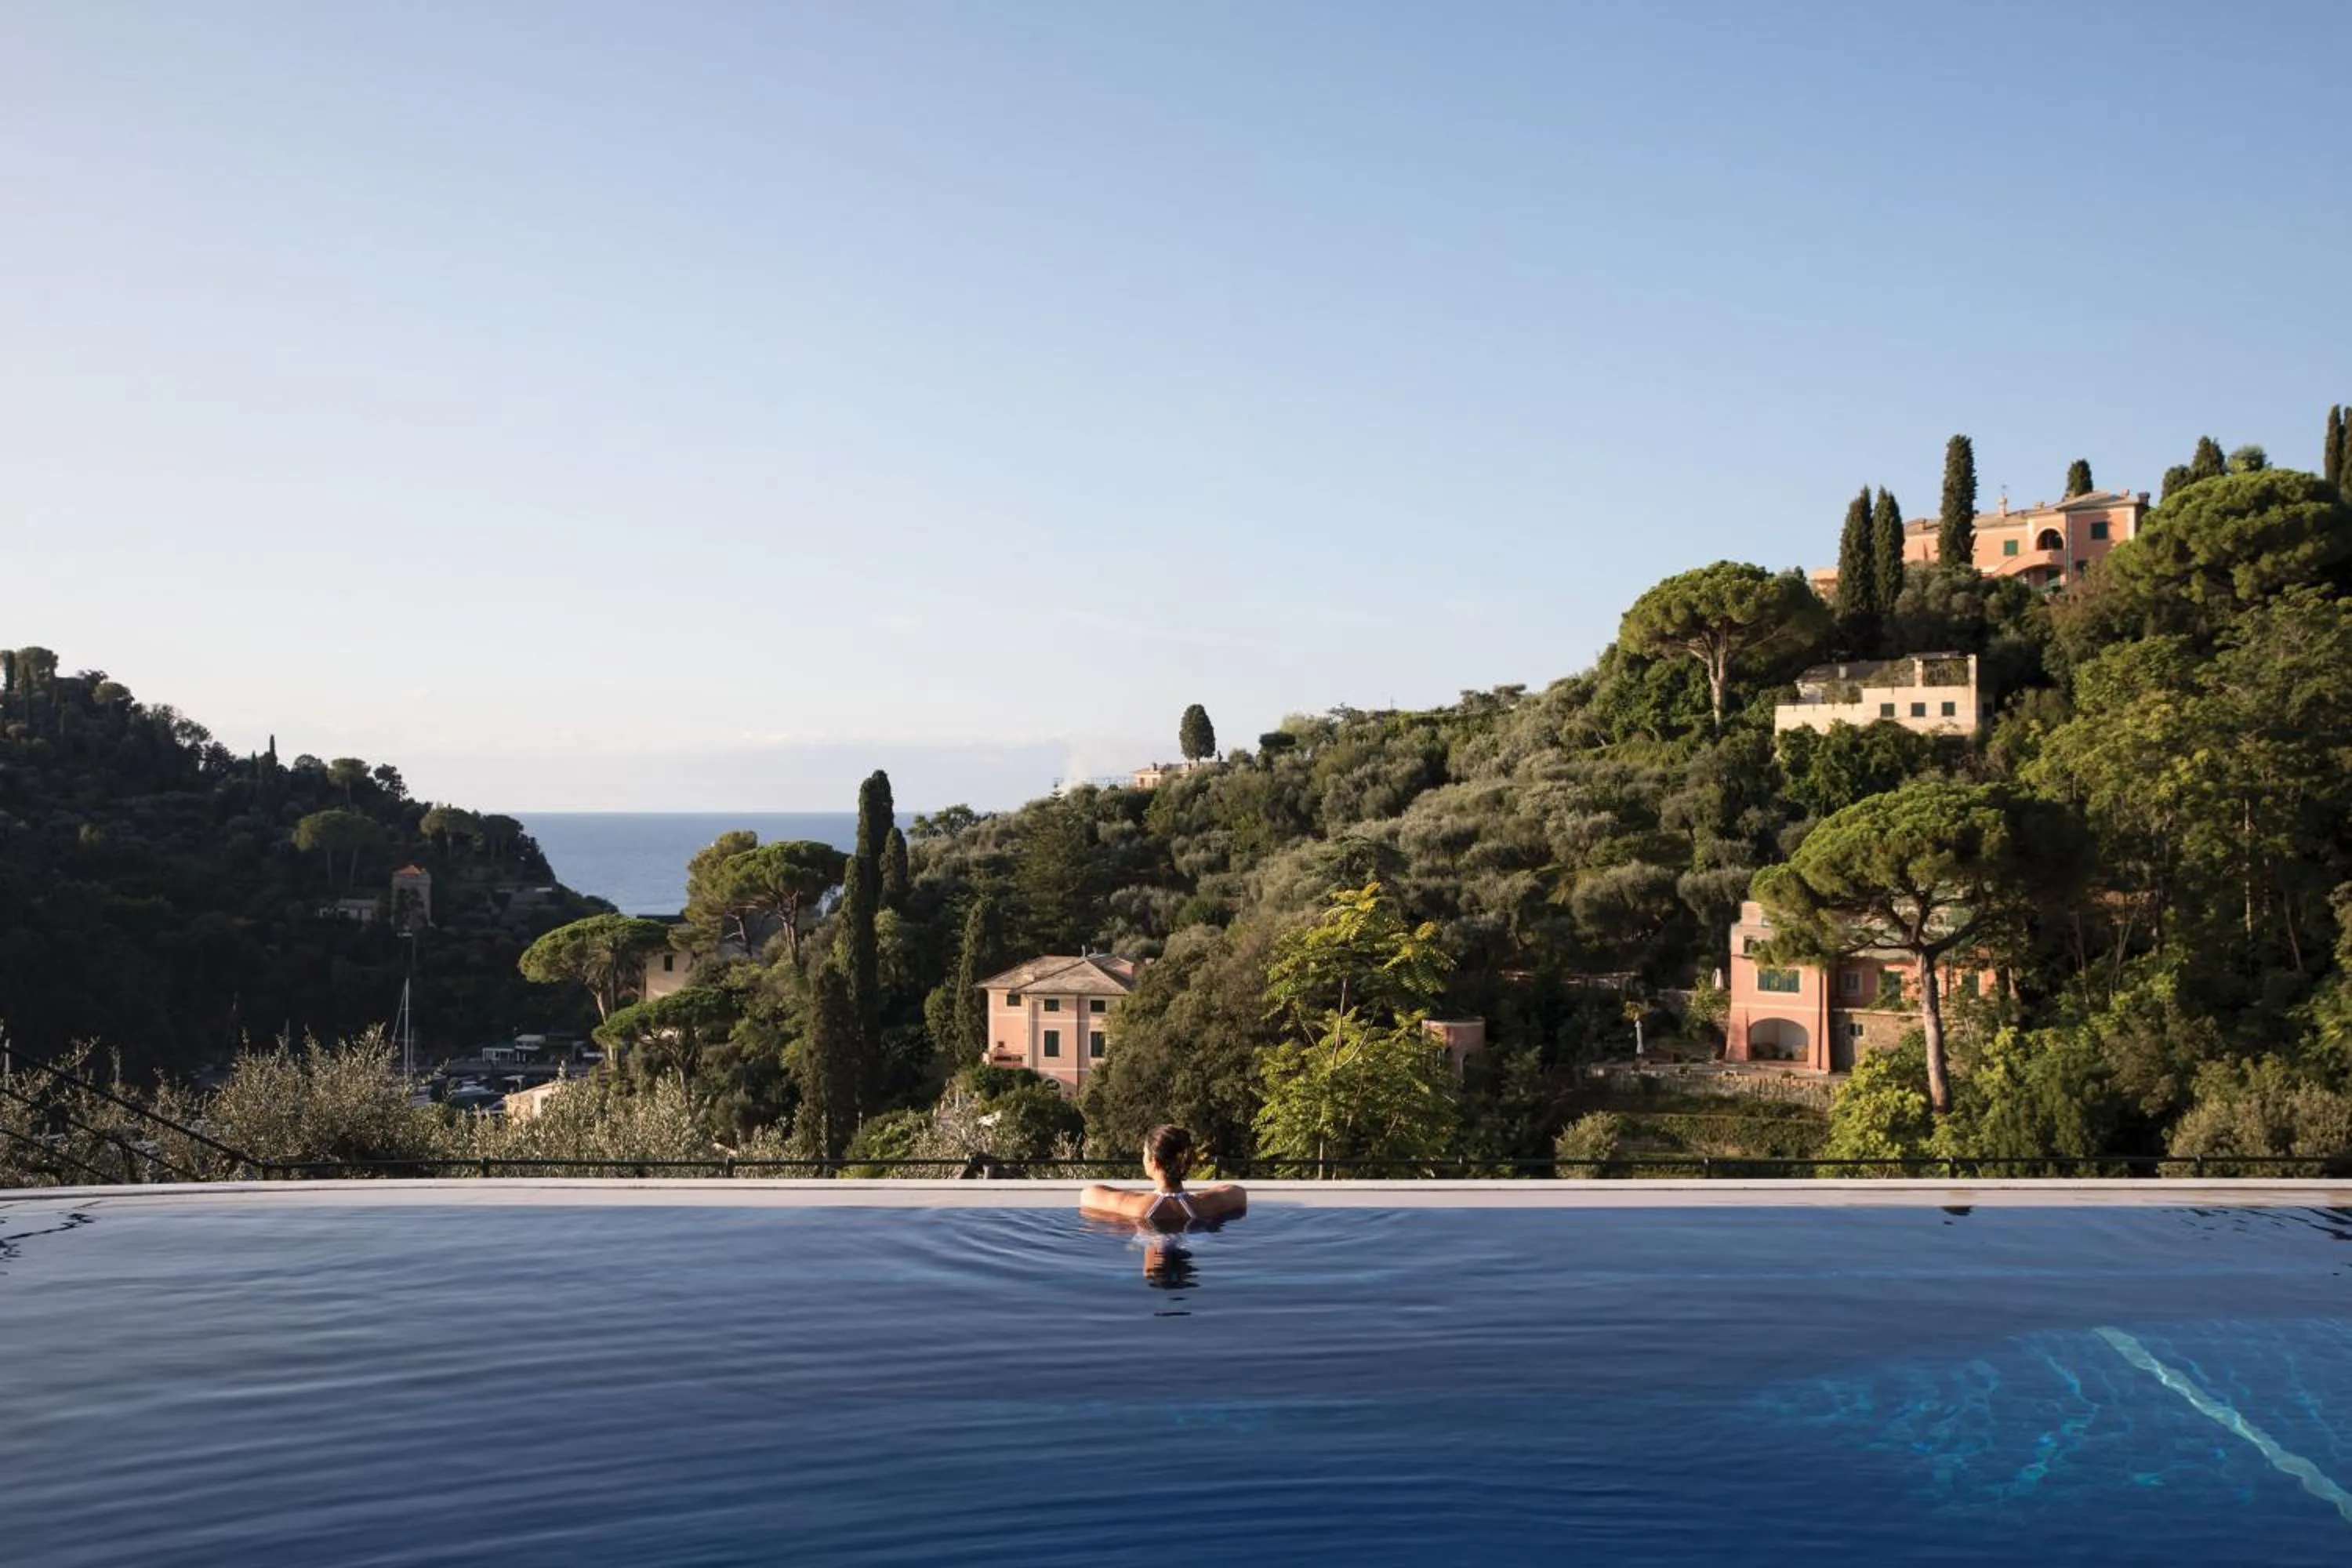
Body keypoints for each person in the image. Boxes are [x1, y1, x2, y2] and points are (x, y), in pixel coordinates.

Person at [1080, 1124, 1247, 1231]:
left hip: (1152, 1244)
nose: (1143, 1159)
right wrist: (1200, 1197)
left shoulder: (1137, 1206)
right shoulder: (1203, 1205)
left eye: (1145, 1155)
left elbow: (1087, 1194)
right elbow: (1239, 1193)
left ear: (1155, 1162)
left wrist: (1135, 1197)